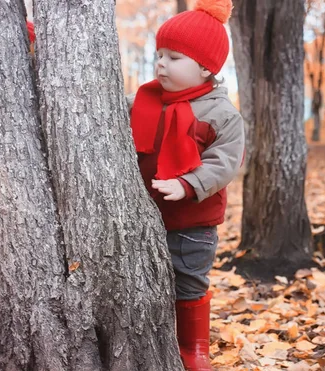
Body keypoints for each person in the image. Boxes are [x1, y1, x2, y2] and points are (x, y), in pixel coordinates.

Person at [128, 0, 244, 369]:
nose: (161, 64)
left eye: (173, 57)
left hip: (193, 223)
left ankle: (193, 350)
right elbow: (100, 110)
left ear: (206, 66)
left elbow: (225, 160)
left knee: (188, 282)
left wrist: (189, 183)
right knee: (141, 279)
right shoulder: (146, 101)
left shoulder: (220, 114)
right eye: (159, 55)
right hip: (142, 216)